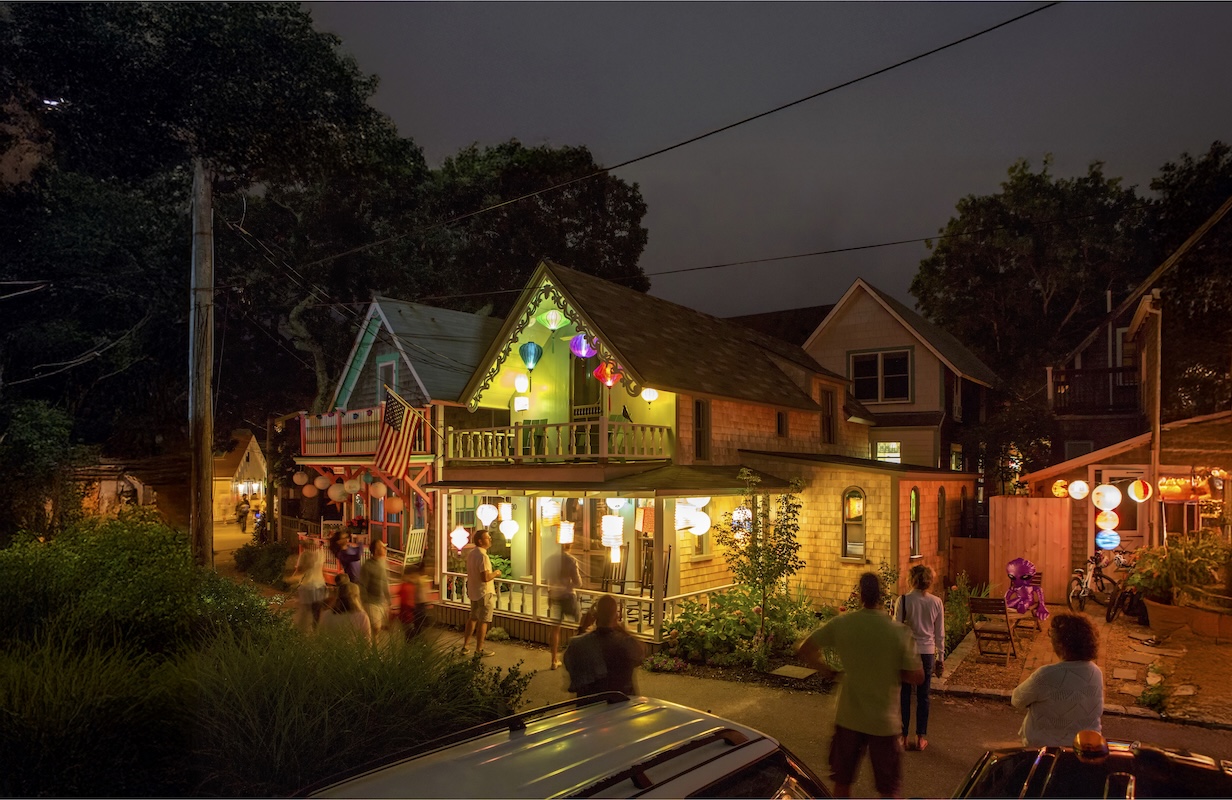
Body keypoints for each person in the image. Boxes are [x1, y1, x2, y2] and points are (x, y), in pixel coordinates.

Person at [797, 572, 923, 799]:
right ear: (882, 595)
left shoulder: (843, 623)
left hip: (848, 717)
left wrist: (828, 670)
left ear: (859, 595)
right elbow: (917, 676)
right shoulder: (898, 632)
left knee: (842, 783)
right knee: (888, 789)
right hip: (884, 722)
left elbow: (804, 648)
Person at [1010, 612, 1104, 747]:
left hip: (1045, 749)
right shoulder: (1096, 672)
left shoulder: (1046, 675)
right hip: (1086, 746)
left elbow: (1017, 700)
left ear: (1060, 644)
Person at [894, 564, 945, 752]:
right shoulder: (936, 602)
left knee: (904, 695)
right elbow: (940, 633)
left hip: (907, 652)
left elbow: (896, 630)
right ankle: (921, 736)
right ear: (929, 581)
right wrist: (941, 656)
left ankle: (903, 736)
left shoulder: (904, 600)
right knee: (924, 696)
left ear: (911, 579)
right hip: (927, 652)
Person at [563, 594, 645, 696]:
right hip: (621, 703)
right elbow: (640, 655)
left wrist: (582, 629)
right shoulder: (626, 643)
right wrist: (621, 628)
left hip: (589, 705)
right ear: (617, 616)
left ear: (595, 616)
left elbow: (569, 662)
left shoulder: (578, 644)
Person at [460, 529, 501, 657]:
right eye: (487, 538)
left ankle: (465, 646)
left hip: (474, 591)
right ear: (480, 541)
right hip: (484, 592)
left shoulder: (472, 554)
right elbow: (485, 577)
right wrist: (497, 573)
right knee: (483, 621)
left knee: (473, 618)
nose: (490, 540)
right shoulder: (483, 556)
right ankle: (479, 649)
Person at [545, 541, 582, 670]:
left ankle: (554, 660)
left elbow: (548, 580)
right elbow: (578, 582)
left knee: (555, 628)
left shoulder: (551, 559)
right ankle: (580, 656)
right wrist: (567, 585)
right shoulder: (571, 560)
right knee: (582, 625)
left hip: (554, 596)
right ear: (569, 545)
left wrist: (550, 594)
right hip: (568, 596)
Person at [289, 536, 327, 632]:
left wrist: (292, 578)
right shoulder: (320, 553)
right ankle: (316, 629)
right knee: (317, 610)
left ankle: (302, 631)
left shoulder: (304, 555)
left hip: (307, 585)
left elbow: (300, 569)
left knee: (305, 610)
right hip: (319, 584)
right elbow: (322, 568)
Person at [360, 539, 392, 637]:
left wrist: (388, 599)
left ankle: (374, 647)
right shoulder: (368, 566)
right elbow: (363, 585)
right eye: (382, 547)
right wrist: (363, 602)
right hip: (371, 602)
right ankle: (372, 647)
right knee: (375, 627)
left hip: (381, 601)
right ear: (376, 550)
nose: (385, 549)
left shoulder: (383, 563)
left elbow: (385, 582)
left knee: (377, 630)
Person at [397, 561, 433, 641]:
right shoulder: (417, 580)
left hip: (417, 605)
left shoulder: (417, 580)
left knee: (417, 624)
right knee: (417, 624)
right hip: (416, 605)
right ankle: (416, 639)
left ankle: (415, 639)